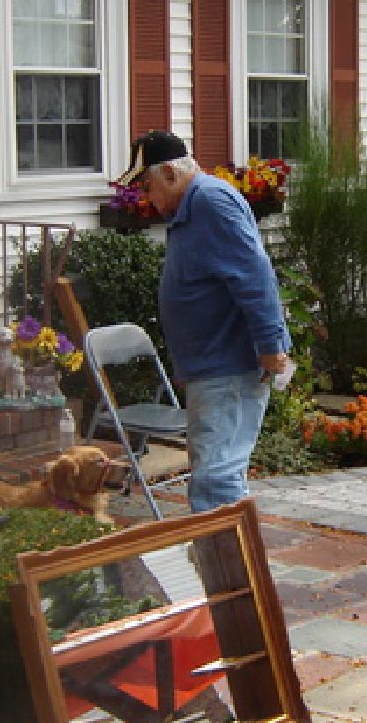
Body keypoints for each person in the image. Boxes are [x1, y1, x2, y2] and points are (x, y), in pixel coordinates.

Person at [114, 130, 290, 512]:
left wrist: (271, 345)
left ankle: (228, 569)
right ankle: (230, 565)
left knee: (216, 482)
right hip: (212, 367)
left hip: (228, 368)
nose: (147, 197)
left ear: (171, 175)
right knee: (216, 475)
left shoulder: (211, 202)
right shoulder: (191, 206)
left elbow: (255, 276)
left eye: (148, 185)